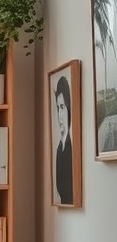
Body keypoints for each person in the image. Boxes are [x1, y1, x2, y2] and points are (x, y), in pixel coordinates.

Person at [55, 75, 73, 204]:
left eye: (62, 107)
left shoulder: (70, 149)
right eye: (57, 108)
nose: (59, 115)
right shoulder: (59, 149)